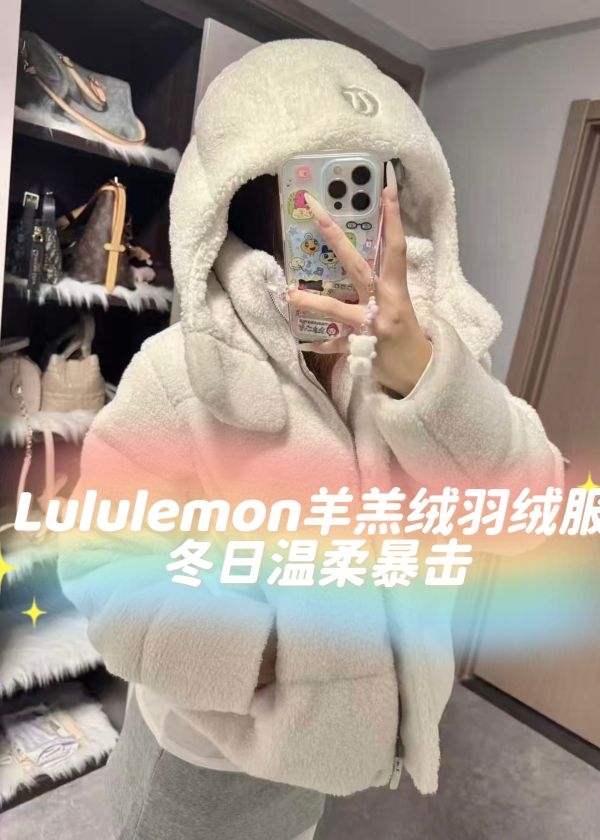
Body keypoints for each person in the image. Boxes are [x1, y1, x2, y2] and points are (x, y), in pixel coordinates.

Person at [58, 39, 564, 840]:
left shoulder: (436, 360)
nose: (340, 230)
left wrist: (425, 382)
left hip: (320, 771)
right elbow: (99, 563)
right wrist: (267, 658)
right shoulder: (181, 370)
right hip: (203, 757)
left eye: (364, 189)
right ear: (252, 205)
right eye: (313, 194)